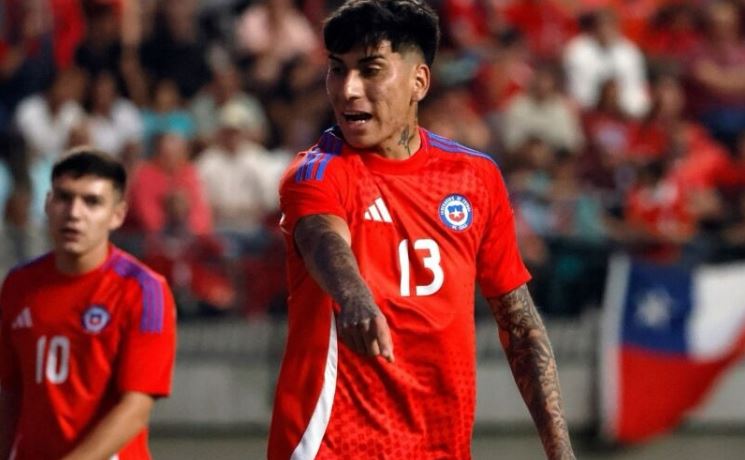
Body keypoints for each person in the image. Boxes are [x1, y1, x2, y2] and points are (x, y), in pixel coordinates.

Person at [267, 0, 575, 458]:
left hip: (440, 446)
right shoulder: (316, 171)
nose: (348, 89)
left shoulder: (475, 177)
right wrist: (354, 295)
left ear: (419, 82)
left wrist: (560, 451)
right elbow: (321, 239)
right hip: (331, 446)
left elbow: (520, 326)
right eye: (337, 69)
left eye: (370, 70)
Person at [0, 148, 177, 459]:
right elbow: (9, 392)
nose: (74, 212)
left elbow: (136, 407)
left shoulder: (145, 290)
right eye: (64, 198)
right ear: (47, 204)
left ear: (117, 215)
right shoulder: (18, 284)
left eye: (92, 202)